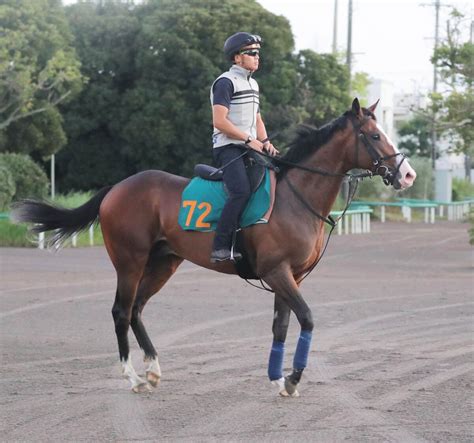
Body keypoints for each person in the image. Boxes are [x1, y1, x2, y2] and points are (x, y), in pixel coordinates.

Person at [209, 32, 279, 263]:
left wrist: (266, 141)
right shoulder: (225, 82)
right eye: (252, 53)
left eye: (258, 53)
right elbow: (219, 122)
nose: (257, 57)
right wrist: (249, 141)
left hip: (249, 146)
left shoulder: (253, 82)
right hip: (228, 146)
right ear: (237, 58)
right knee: (241, 191)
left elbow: (257, 118)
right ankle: (220, 246)